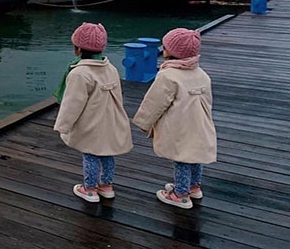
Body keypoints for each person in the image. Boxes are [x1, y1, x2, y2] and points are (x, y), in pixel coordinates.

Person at [133, 28, 216, 209]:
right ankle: (194, 187)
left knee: (181, 159)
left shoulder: (168, 76)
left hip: (180, 126)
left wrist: (143, 122)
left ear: (171, 52)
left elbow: (155, 102)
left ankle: (180, 194)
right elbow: (208, 102)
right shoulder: (202, 74)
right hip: (200, 124)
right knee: (194, 156)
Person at [54, 23, 133, 203]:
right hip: (110, 119)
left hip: (91, 123)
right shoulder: (110, 68)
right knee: (107, 154)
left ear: (78, 49)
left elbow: (72, 103)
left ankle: (89, 189)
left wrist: (63, 126)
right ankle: (106, 186)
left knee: (90, 154)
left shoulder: (79, 73)